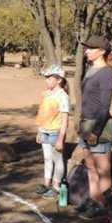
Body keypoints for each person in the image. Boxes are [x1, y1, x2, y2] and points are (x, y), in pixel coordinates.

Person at [76, 36, 112, 219]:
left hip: (97, 127)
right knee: (91, 167)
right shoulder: (91, 69)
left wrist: (96, 132)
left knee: (103, 170)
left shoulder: (107, 73)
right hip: (85, 125)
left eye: (91, 48)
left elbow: (104, 107)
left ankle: (104, 204)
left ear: (101, 50)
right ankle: (94, 200)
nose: (87, 51)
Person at [34, 65, 70, 199]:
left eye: (49, 78)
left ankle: (56, 186)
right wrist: (39, 131)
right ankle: (46, 183)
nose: (46, 80)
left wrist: (61, 138)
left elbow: (65, 120)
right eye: (46, 78)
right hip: (44, 130)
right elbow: (42, 114)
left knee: (57, 159)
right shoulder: (46, 94)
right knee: (47, 158)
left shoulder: (63, 96)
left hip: (55, 132)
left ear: (59, 80)